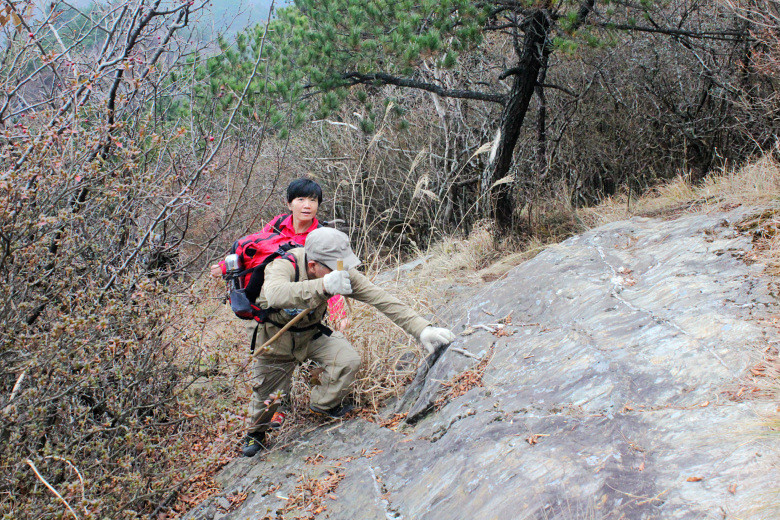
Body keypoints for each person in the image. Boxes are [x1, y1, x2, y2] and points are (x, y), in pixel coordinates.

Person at [242, 227, 456, 457]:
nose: (343, 271)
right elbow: (275, 294)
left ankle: (323, 404)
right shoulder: (283, 265)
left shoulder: (339, 271)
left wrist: (422, 328)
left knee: (348, 361)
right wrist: (323, 286)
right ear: (313, 266)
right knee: (267, 397)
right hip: (276, 340)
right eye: (337, 266)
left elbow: (380, 298)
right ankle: (256, 433)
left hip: (310, 334)